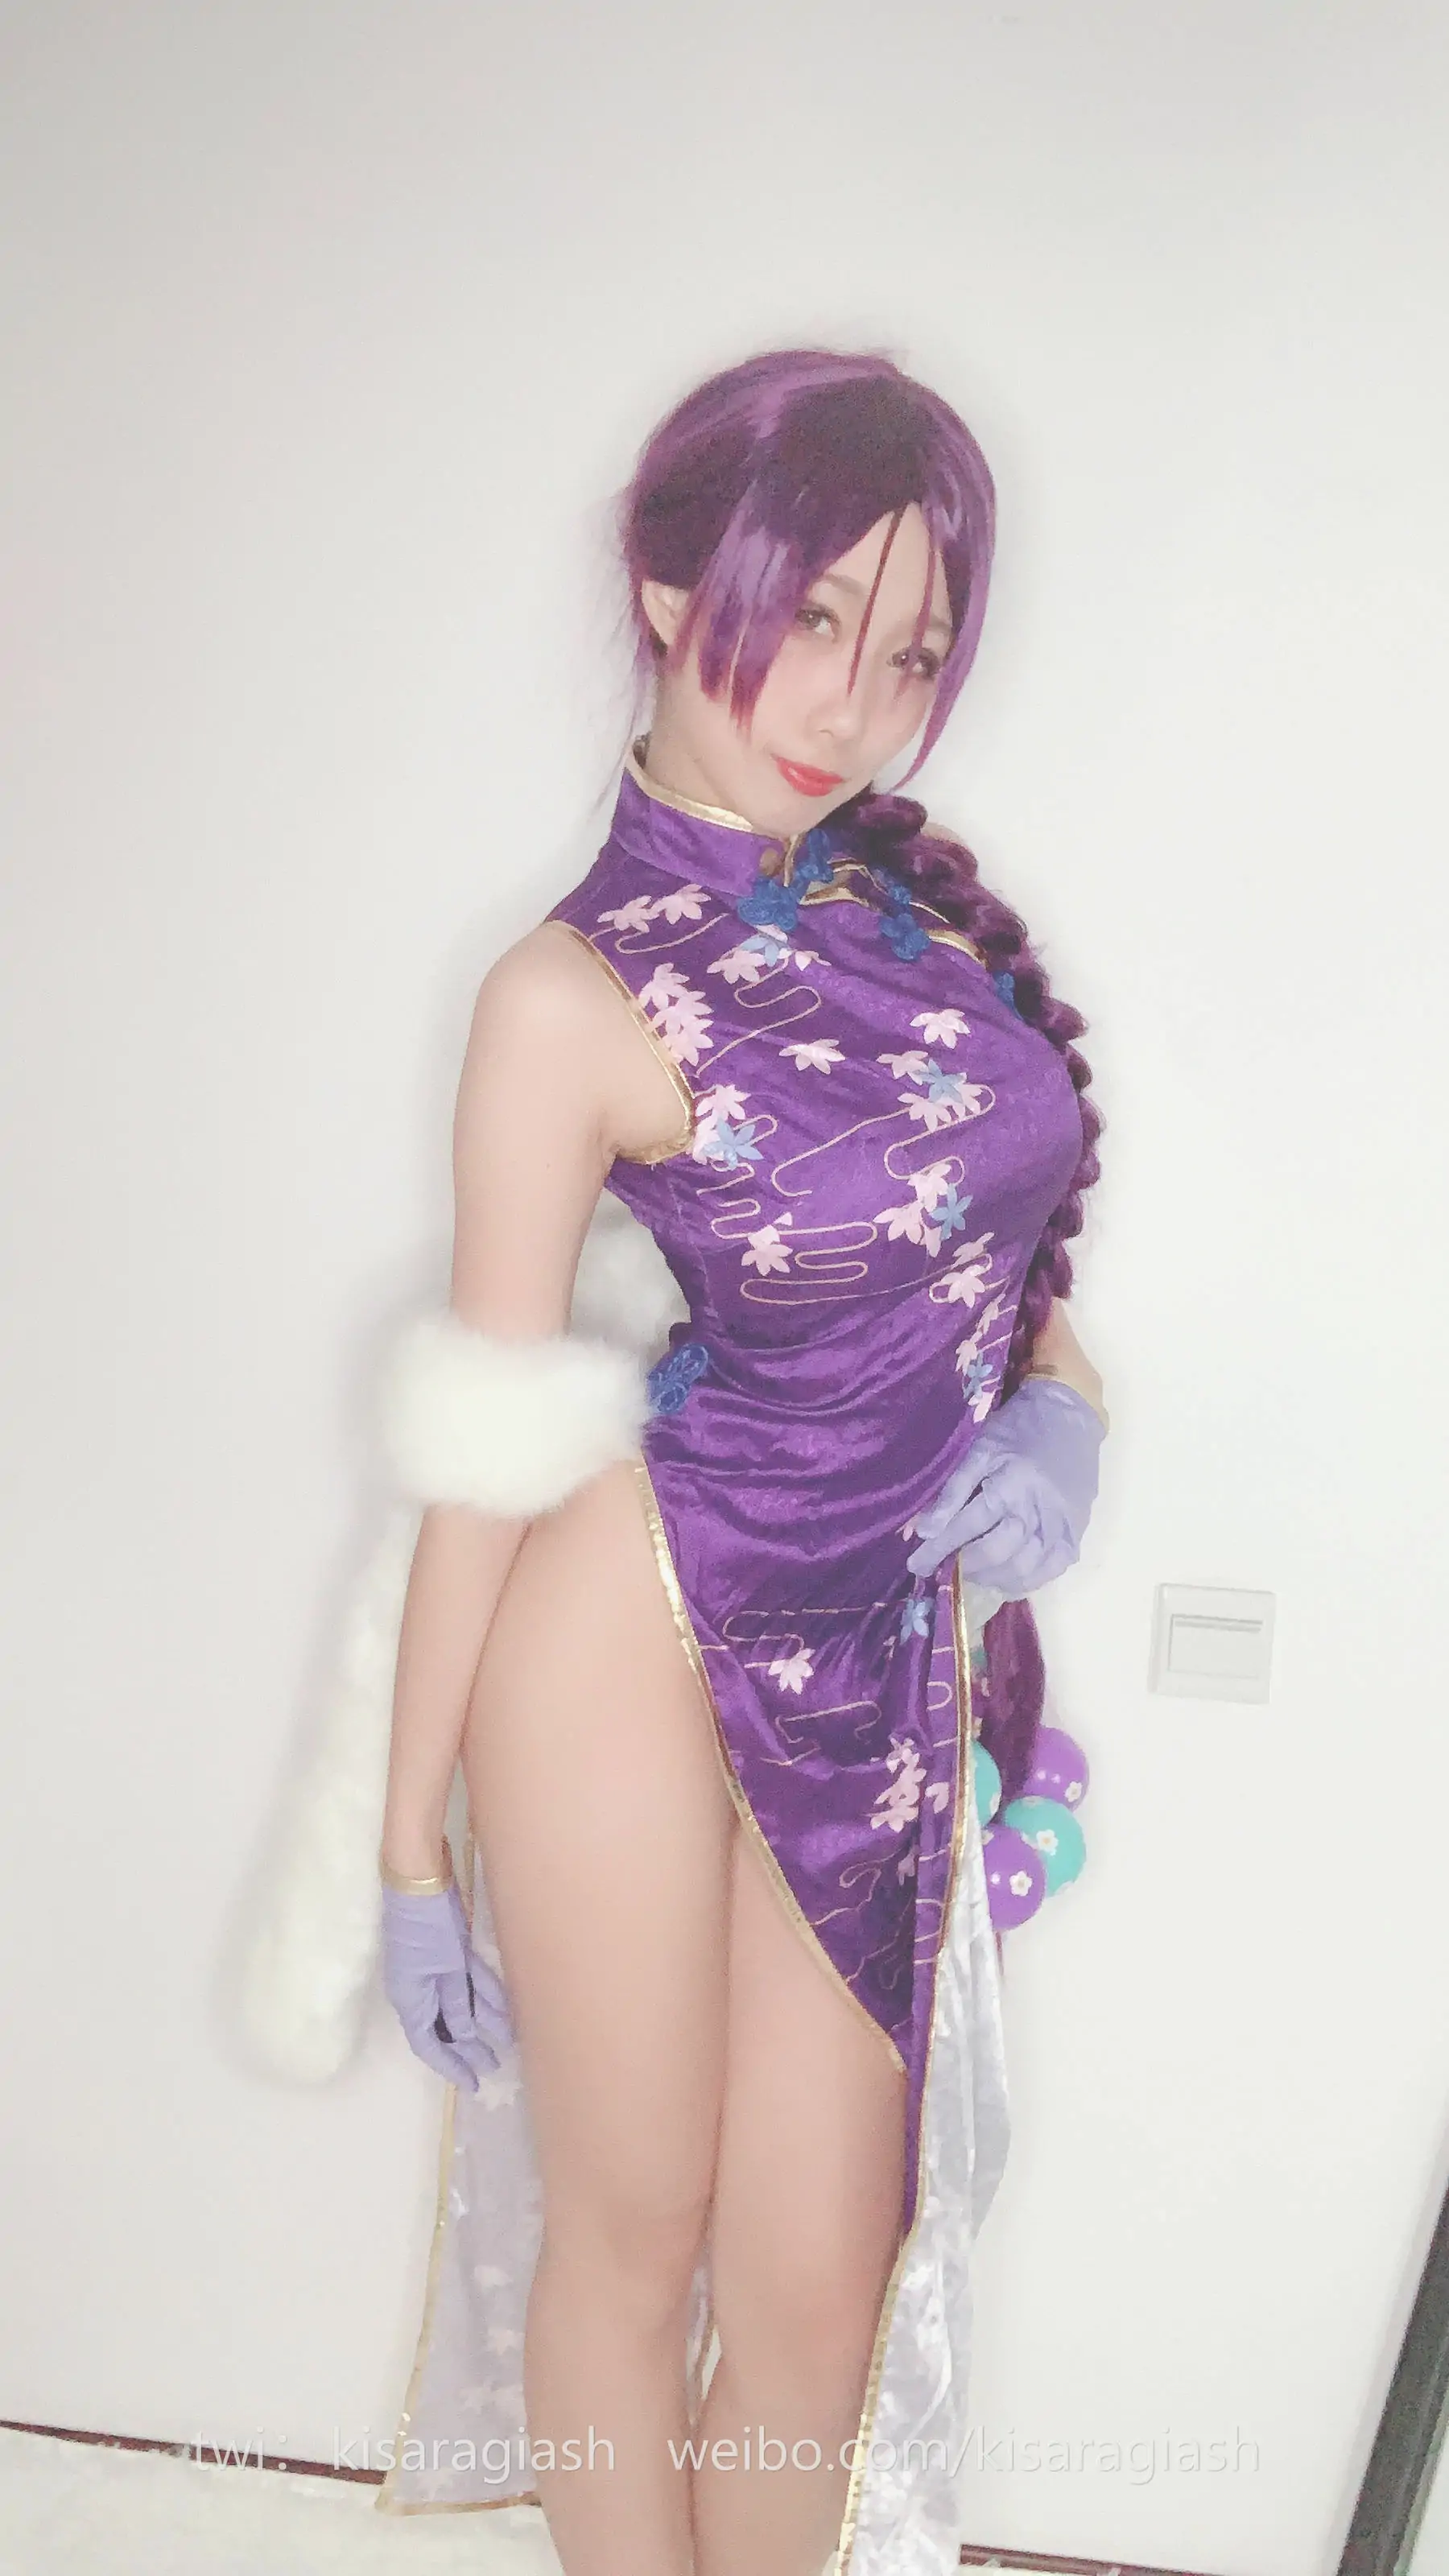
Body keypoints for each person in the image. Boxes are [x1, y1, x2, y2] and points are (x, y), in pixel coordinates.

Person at [353, 349, 1105, 2576]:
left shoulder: (915, 922)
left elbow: (994, 1255)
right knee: (637, 2233)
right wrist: (403, 1848)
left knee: (816, 2288)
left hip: (872, 1652)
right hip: (642, 1619)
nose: (852, 705)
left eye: (912, 652)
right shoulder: (568, 997)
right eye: (814, 617)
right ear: (677, 589)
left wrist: (1068, 1402)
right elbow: (483, 1446)